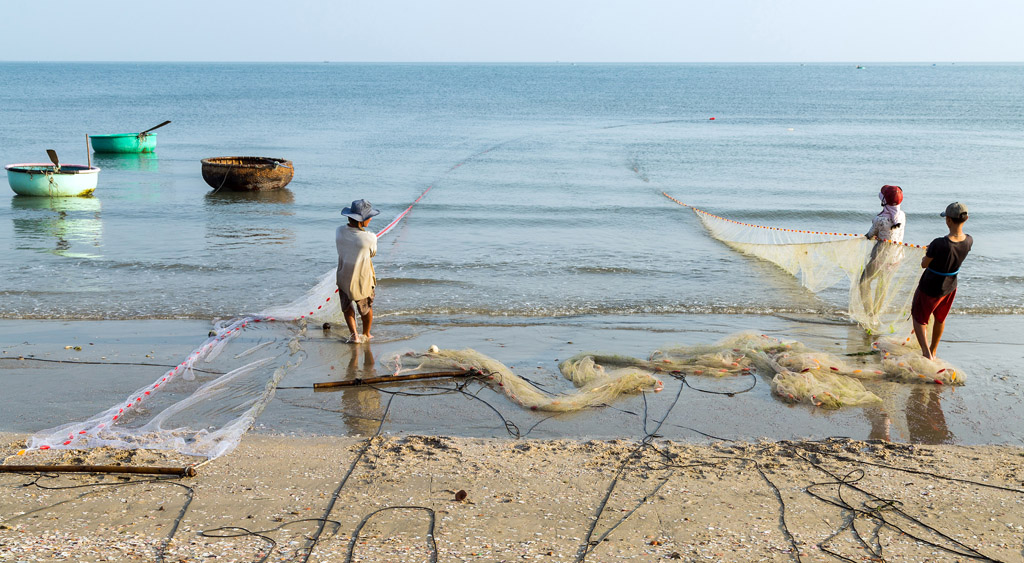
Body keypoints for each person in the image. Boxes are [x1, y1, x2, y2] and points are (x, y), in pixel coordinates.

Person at [911, 202, 972, 360]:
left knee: (919, 318)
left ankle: (926, 353)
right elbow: (951, 250)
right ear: (966, 219)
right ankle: (934, 349)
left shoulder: (939, 243)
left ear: (948, 221)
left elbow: (924, 264)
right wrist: (934, 249)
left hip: (930, 286)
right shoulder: (969, 240)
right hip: (950, 286)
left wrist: (929, 251)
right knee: (940, 317)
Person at [860, 185, 906, 326]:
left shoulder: (880, 219)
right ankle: (876, 314)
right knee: (883, 285)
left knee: (863, 283)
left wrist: (870, 237)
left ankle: (870, 315)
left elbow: (870, 235)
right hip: (895, 257)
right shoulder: (902, 216)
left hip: (880, 256)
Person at [336, 199, 380, 343]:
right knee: (365, 309)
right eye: (369, 217)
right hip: (361, 280)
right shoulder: (370, 237)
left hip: (343, 277)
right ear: (361, 221)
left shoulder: (339, 231)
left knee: (347, 307)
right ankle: (366, 334)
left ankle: (354, 335)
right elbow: (372, 253)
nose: (371, 219)